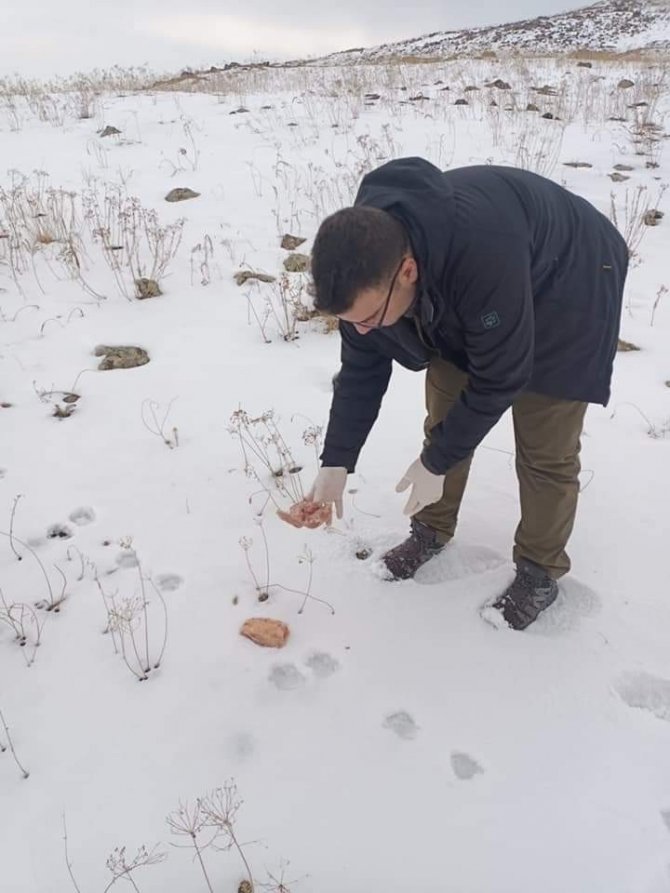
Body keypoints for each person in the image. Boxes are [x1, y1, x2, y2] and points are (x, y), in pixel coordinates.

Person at [307, 157, 628, 630]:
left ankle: (539, 570)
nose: (362, 329)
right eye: (351, 320)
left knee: (545, 444)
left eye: (370, 317)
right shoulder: (365, 267)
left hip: (571, 279)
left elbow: (500, 378)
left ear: (408, 271)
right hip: (475, 285)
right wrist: (337, 460)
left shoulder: (481, 253)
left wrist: (437, 462)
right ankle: (431, 529)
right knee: (446, 414)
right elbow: (361, 370)